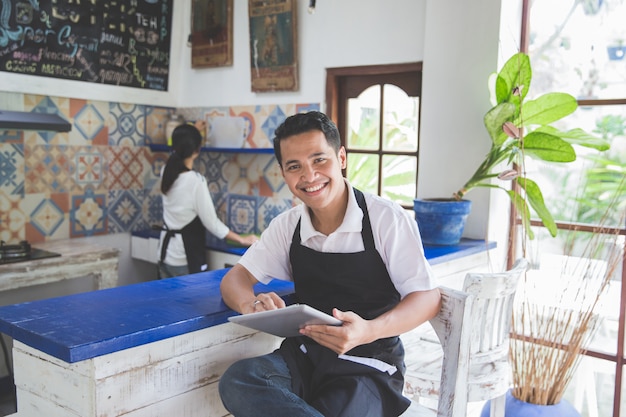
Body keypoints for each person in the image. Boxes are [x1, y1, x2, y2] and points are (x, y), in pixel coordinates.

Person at [218, 111, 441, 417]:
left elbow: (428, 298)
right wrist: (249, 304)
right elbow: (235, 280)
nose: (309, 176)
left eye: (319, 160)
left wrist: (368, 330)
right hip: (306, 357)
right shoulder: (288, 226)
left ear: (341, 158)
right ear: (283, 173)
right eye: (294, 166)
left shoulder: (386, 218)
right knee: (239, 381)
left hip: (370, 367)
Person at [157, 121, 258, 279]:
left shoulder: (166, 171)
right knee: (190, 303)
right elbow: (212, 223)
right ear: (197, 150)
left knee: (167, 302)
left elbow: (179, 151)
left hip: (165, 253)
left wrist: (191, 134)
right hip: (184, 256)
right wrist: (242, 239)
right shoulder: (195, 181)